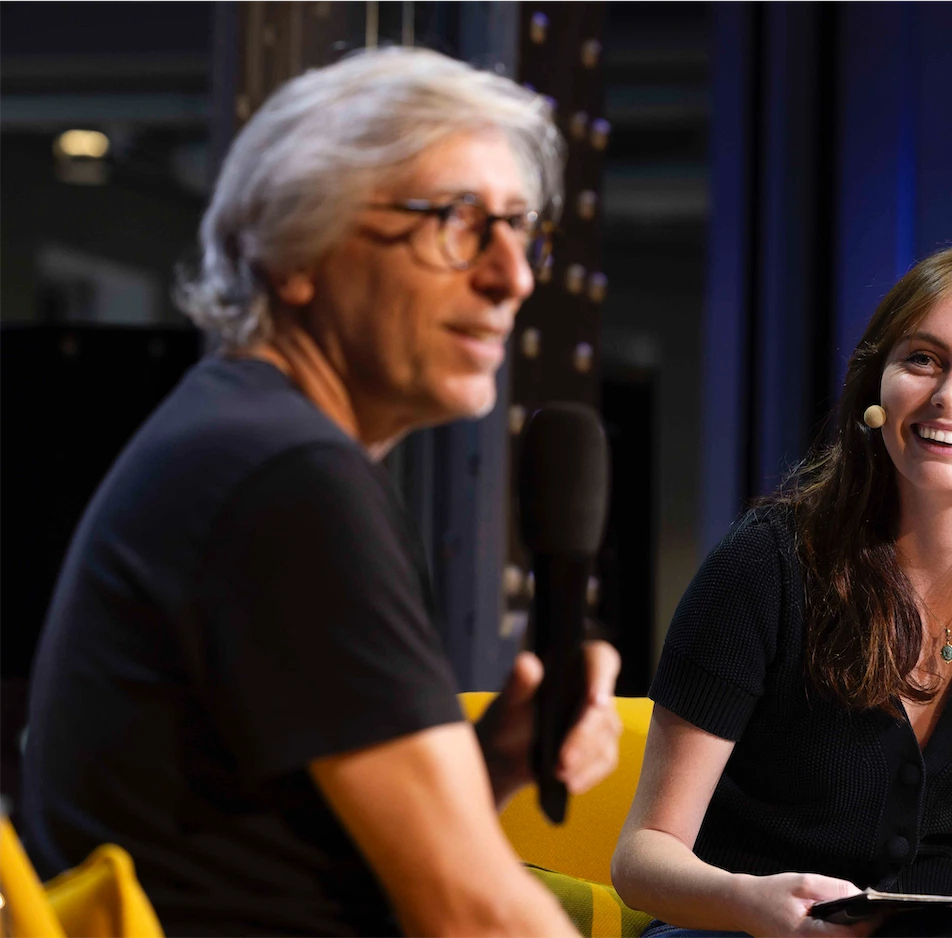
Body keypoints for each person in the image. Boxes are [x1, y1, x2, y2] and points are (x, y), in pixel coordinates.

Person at [21, 48, 621, 938]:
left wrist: (480, 769)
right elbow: (475, 917)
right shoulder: (287, 479)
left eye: (515, 227)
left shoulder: (234, 433)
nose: (513, 277)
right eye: (458, 222)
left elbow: (259, 848)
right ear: (295, 253)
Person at [611, 245, 952, 938]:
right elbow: (643, 857)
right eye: (922, 359)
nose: (951, 394)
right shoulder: (766, 563)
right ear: (878, 389)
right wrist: (754, 904)